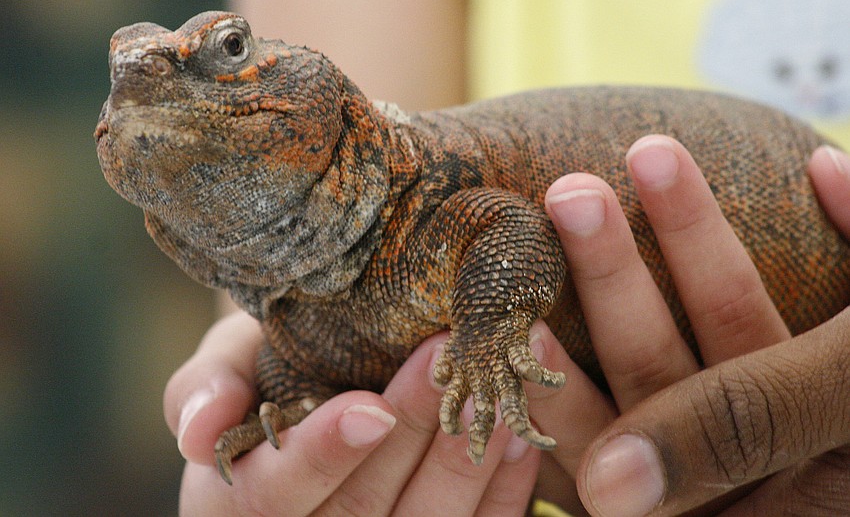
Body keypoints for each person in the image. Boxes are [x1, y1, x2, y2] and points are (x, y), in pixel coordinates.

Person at [165, 136, 850, 516]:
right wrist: (280, 482)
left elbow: (506, 227)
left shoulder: (409, 181)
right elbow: (330, 280)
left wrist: (488, 334)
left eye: (228, 49)